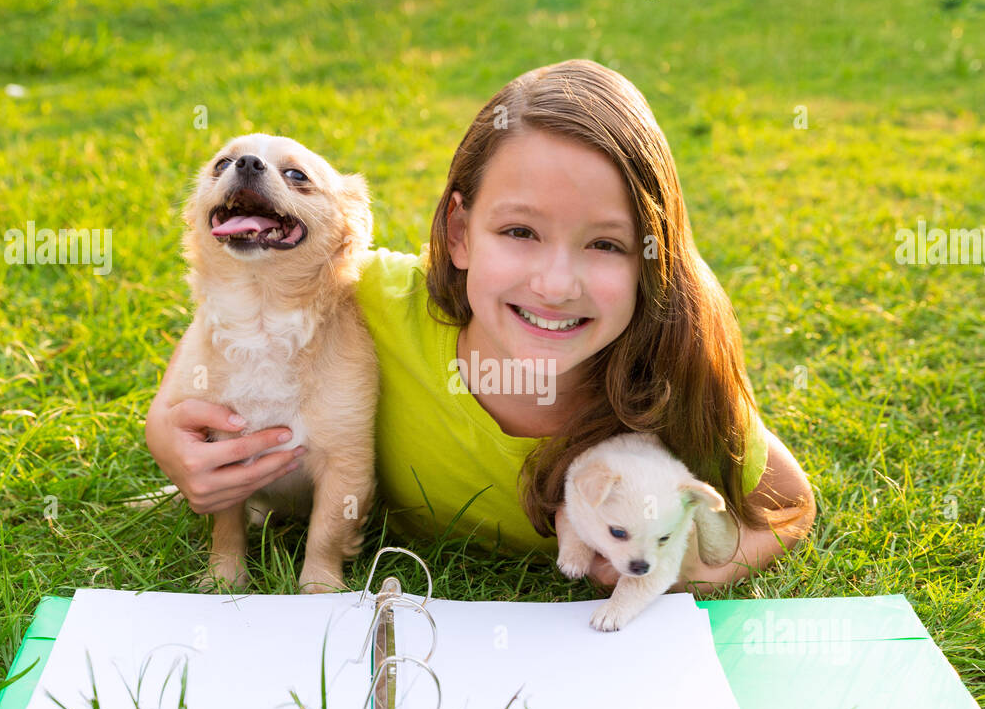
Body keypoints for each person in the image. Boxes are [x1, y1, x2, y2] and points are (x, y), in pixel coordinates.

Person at [145, 59, 815, 593]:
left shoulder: (671, 382)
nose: (556, 283)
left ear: (652, 256)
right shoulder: (377, 299)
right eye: (520, 232)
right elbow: (242, 300)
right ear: (460, 234)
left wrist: (697, 575)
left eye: (605, 244)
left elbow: (791, 507)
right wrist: (162, 428)